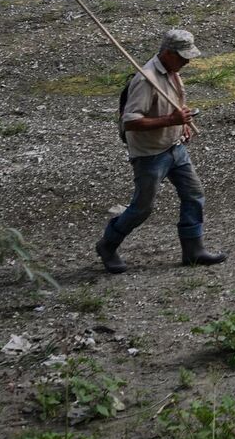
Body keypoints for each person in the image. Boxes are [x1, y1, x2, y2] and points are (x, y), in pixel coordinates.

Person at [95, 28, 226, 273]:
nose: (187, 61)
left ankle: (193, 251)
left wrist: (183, 124)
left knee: (193, 195)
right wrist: (171, 121)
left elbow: (176, 106)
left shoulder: (173, 72)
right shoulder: (146, 80)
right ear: (167, 53)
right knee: (142, 208)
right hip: (149, 155)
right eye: (182, 56)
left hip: (174, 148)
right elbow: (130, 122)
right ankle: (108, 245)